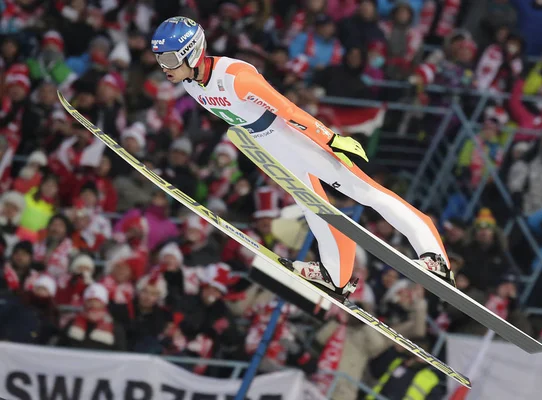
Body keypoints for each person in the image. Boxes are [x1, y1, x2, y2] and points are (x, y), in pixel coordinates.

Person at [150, 16, 454, 297]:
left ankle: (435, 257)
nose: (163, 66)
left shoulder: (236, 77)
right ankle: (337, 276)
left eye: (168, 58)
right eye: (158, 58)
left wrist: (332, 140)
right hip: (272, 146)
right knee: (312, 205)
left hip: (296, 139)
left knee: (366, 192)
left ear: (192, 52)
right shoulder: (190, 85)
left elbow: (289, 110)